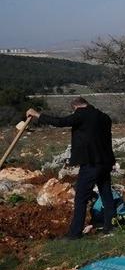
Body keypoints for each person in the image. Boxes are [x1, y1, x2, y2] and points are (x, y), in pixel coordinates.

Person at [26, 98, 116, 239]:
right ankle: (110, 226)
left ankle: (75, 233)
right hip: (105, 161)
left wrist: (37, 114)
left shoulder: (81, 114)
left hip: (91, 163)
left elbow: (60, 122)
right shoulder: (104, 117)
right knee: (106, 193)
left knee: (81, 198)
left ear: (76, 107)